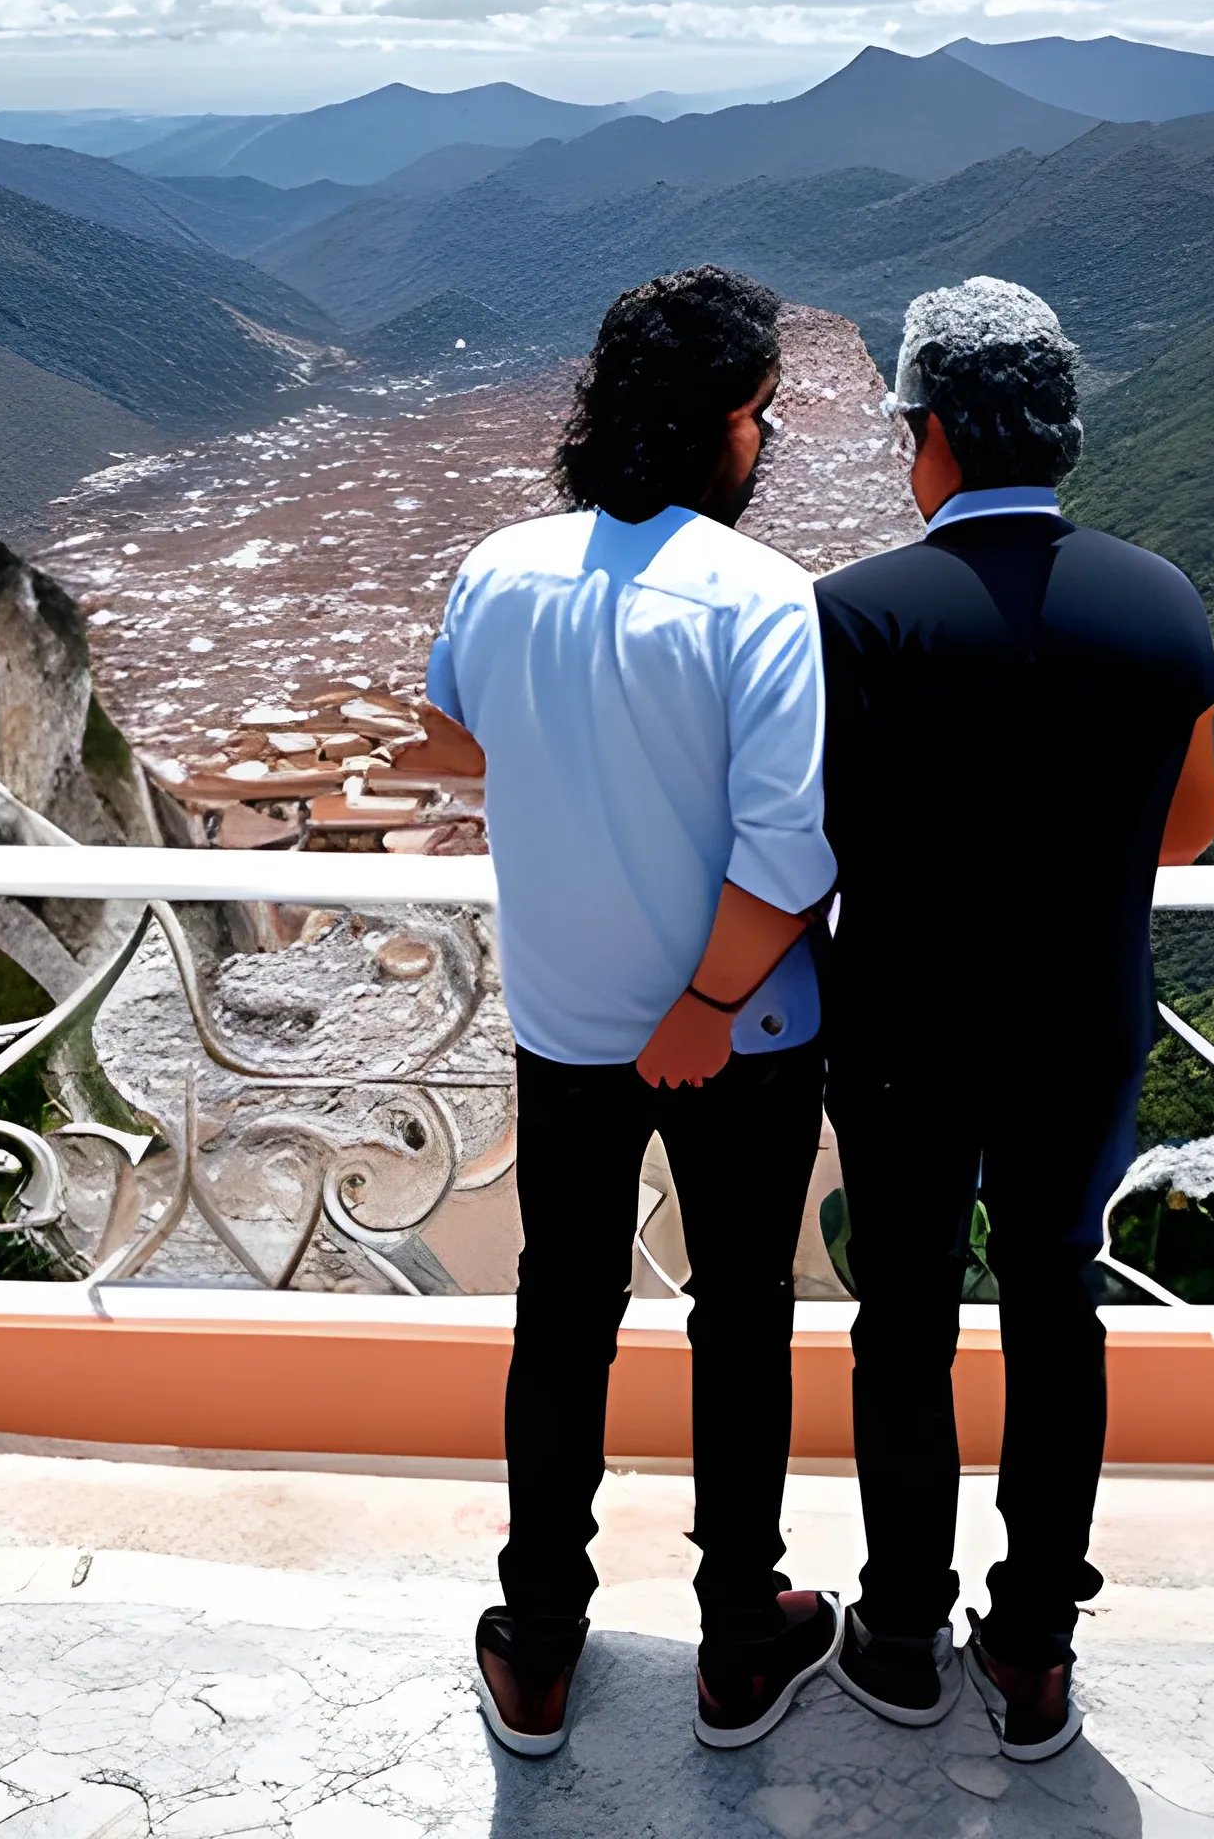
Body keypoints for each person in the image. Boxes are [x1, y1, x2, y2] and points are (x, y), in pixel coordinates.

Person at [418, 267, 843, 1757]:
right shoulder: (764, 598)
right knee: (742, 1321)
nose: (766, 436)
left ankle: (537, 1640)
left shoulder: (499, 568)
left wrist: (570, 767)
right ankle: (740, 1639)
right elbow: (791, 849)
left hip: (563, 1030)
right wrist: (711, 1000)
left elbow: (447, 729)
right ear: (728, 423)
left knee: (563, 1315)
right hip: (746, 1035)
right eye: (762, 411)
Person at [815, 277, 1214, 1760]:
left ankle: (902, 1632)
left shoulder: (855, 615)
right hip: (1084, 1016)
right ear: (1062, 433)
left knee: (906, 1311)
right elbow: (1187, 830)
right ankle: (1037, 1645)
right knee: (1058, 1301)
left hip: (907, 1026)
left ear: (927, 437)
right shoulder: (1161, 601)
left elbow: (812, 844)